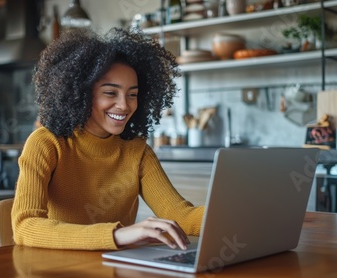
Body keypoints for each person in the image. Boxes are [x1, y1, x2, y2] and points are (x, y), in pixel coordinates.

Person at [11, 27, 204, 251]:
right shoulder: (46, 143)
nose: (124, 105)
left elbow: (180, 214)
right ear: (82, 93)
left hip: (115, 269)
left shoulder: (136, 150)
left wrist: (239, 214)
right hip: (57, 268)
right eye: (110, 93)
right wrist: (117, 235)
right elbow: (25, 226)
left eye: (132, 94)